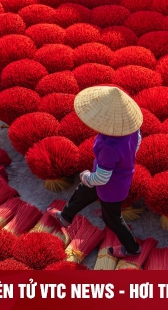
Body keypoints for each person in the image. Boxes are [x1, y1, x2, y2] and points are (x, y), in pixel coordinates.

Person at [47, 86, 143, 258]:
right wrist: (126, 157)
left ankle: (132, 248)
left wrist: (86, 176)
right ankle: (66, 216)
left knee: (112, 218)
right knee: (82, 192)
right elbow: (137, 142)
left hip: (111, 188)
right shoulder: (131, 129)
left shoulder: (109, 147)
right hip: (113, 176)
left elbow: (102, 178)